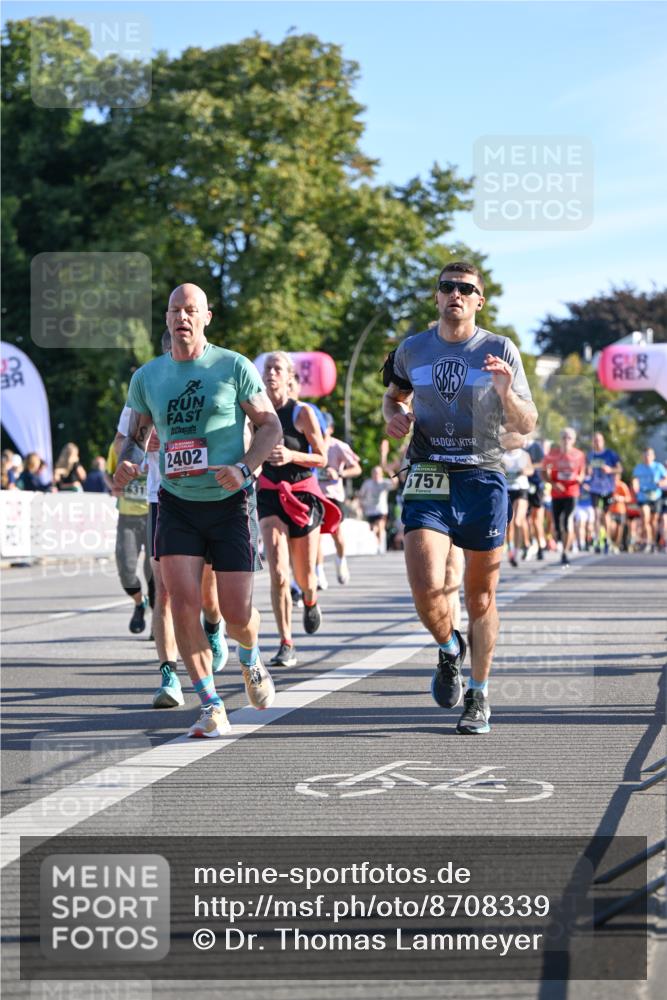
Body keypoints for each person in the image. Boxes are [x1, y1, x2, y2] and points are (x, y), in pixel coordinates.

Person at [114, 283, 282, 738]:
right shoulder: (148, 377)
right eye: (174, 310)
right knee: (181, 603)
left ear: (207, 317)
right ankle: (210, 703)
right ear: (166, 319)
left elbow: (270, 425)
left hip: (230, 503)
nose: (181, 317)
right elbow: (127, 433)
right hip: (176, 503)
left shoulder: (233, 366)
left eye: (190, 310)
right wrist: (125, 461)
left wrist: (246, 468)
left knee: (236, 612)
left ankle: (250, 656)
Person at [382, 260, 537, 735]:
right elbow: (394, 397)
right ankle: (449, 647)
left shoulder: (498, 349)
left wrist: (507, 394)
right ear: (437, 297)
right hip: (429, 473)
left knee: (481, 596)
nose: (456, 294)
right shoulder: (412, 349)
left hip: (483, 475)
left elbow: (526, 424)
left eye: (466, 288)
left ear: (478, 300)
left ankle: (479, 693)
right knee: (427, 589)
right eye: (447, 287)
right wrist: (395, 416)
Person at [139, 331, 229, 709]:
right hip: (162, 499)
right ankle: (168, 674)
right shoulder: (146, 387)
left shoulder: (210, 385)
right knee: (164, 590)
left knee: (206, 593)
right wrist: (144, 443)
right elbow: (123, 442)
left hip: (206, 498)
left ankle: (214, 624)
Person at [257, 351, 341, 668]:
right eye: (267, 368)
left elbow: (321, 457)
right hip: (269, 495)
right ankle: (285, 642)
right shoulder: (256, 414)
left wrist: (292, 457)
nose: (271, 373)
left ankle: (310, 598)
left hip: (303, 495)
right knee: (278, 572)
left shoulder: (301, 413)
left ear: (290, 377)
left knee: (305, 575)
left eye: (277, 369)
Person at [108, 413, 154, 634]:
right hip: (127, 515)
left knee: (152, 573)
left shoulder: (160, 443)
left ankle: (159, 621)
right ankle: (139, 602)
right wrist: (114, 484)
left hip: (153, 513)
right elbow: (108, 473)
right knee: (126, 571)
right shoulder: (119, 445)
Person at [316, 413, 361, 585]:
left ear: (331, 428)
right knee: (315, 535)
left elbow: (356, 468)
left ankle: (341, 561)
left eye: (324, 428)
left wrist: (339, 473)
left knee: (336, 534)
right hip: (316, 494)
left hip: (334, 495)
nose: (321, 432)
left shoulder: (338, 446)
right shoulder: (311, 444)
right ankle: (319, 573)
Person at [542, 428, 586, 566]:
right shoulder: (552, 454)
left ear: (573, 440)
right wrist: (553, 484)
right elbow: (543, 472)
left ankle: (565, 552)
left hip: (572, 492)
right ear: (560, 439)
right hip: (556, 494)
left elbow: (582, 472)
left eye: (569, 438)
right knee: (556, 525)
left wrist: (580, 478)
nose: (566, 440)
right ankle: (561, 542)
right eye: (564, 437)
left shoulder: (579, 455)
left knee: (567, 521)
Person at [586, 431, 622, 552]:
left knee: (606, 515)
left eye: (599, 440)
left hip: (608, 488)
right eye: (594, 440)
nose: (597, 442)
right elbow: (585, 471)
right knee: (596, 514)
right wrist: (588, 471)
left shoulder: (610, 454)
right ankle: (597, 540)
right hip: (594, 488)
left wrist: (610, 469)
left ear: (603, 441)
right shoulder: (590, 455)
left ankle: (607, 539)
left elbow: (619, 469)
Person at [501, 441, 533, 566]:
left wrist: (524, 471)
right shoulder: (502, 455)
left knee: (518, 521)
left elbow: (531, 470)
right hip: (508, 490)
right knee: (509, 523)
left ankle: (518, 550)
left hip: (521, 489)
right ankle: (511, 551)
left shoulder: (524, 454)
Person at [631, 447, 667, 552]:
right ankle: (648, 541)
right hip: (643, 496)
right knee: (645, 519)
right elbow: (635, 479)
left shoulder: (658, 467)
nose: (647, 457)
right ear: (643, 456)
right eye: (645, 455)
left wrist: (661, 483)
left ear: (653, 456)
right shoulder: (639, 468)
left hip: (655, 496)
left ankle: (654, 542)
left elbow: (665, 479)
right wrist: (635, 486)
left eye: (649, 455)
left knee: (653, 521)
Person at [358, 466, 394, 553]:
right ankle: (378, 544)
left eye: (377, 473)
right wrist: (361, 505)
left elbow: (394, 484)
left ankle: (379, 546)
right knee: (373, 529)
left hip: (381, 510)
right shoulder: (367, 483)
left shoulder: (384, 482)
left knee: (379, 526)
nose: (376, 474)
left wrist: (390, 472)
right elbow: (361, 495)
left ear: (381, 474)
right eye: (374, 472)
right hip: (370, 510)